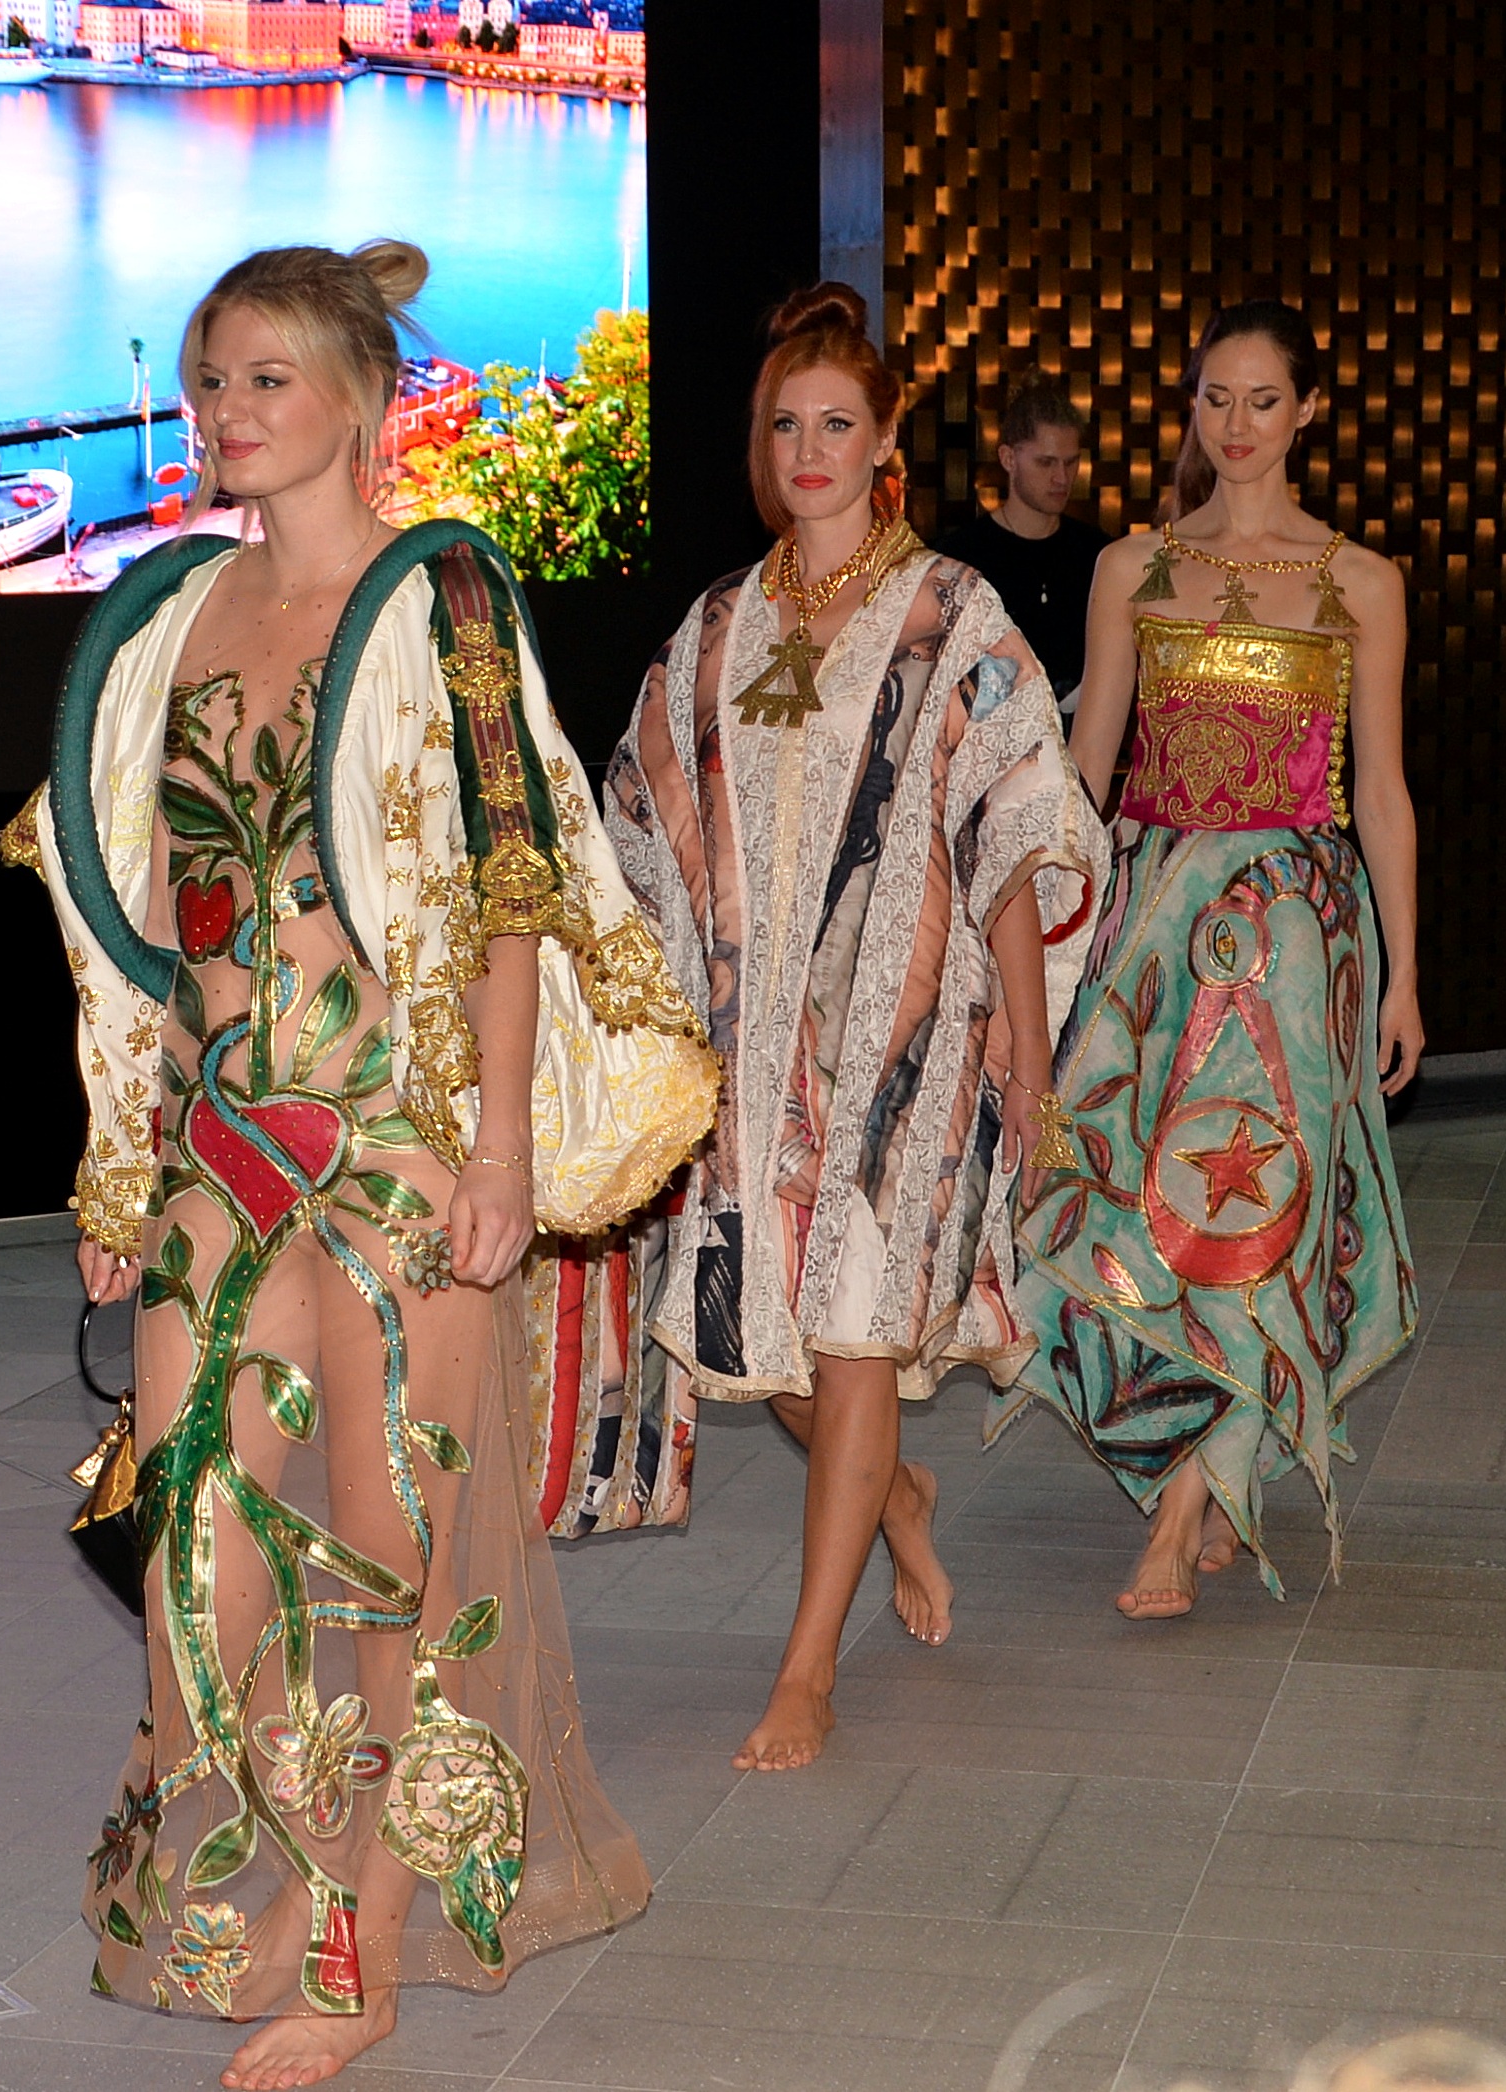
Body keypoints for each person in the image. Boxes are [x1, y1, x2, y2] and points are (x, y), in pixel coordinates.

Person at [5, 241, 716, 2090]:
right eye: (208, 381)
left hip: (400, 1140)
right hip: (224, 1137)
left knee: (396, 1552)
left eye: (265, 379)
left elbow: (509, 880)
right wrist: (121, 1158)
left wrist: (500, 1146)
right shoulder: (166, 614)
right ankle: (265, 1885)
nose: (226, 412)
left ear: (360, 394)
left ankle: (363, 1948)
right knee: (199, 1544)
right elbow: (134, 917)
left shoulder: (440, 592)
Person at [598, 284, 1105, 1772]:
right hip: (748, 1058)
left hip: (908, 1046)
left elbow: (1012, 832)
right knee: (775, 1360)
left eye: (835, 425)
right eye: (784, 427)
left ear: (885, 441)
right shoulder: (718, 623)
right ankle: (893, 1497)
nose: (807, 451)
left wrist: (1025, 1049)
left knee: (858, 1332)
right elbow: (637, 822)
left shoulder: (952, 612)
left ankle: (807, 1667)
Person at [998, 299, 1420, 1618]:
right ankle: (1215, 1458)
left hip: (1295, 936)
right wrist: (1035, 934)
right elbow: (1088, 768)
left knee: (1251, 1204)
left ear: (1306, 412)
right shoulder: (1133, 567)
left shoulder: (1358, 581)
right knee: (1135, 1196)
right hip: (1153, 927)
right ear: (1190, 408)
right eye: (1214, 399)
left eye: (1261, 399)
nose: (1235, 425)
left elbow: (1380, 790)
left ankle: (1180, 1518)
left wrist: (1405, 974)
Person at [935, 376, 1111, 715]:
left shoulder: (1100, 555)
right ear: (1008, 458)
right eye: (1045, 463)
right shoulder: (960, 558)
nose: (1062, 478)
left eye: (1071, 462)